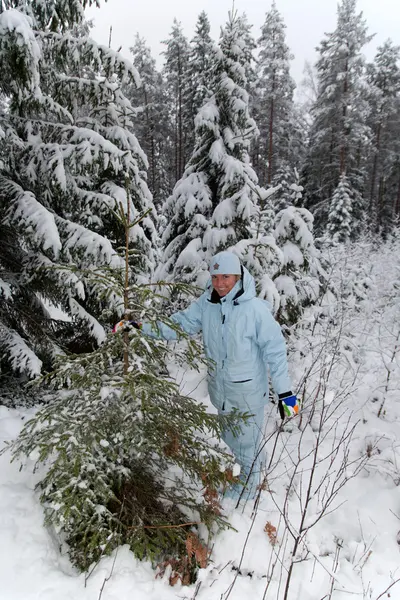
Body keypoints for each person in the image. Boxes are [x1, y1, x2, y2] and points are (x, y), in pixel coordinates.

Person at [114, 251, 298, 501]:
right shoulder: (207, 304)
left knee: (245, 443)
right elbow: (179, 324)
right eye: (215, 277)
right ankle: (255, 467)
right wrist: (141, 327)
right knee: (232, 437)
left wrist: (285, 393)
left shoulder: (254, 310)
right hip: (221, 390)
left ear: (239, 277)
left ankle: (247, 493)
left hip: (247, 392)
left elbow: (275, 351)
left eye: (226, 277)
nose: (220, 283)